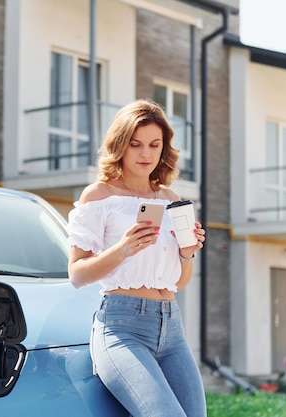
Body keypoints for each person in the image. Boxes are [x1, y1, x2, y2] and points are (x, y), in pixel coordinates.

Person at [67, 99, 207, 417]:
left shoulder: (171, 201)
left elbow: (181, 282)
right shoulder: (99, 196)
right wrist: (124, 248)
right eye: (136, 144)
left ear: (164, 149)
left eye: (154, 145)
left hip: (171, 327)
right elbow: (77, 275)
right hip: (121, 327)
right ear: (121, 145)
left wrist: (187, 254)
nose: (146, 154)